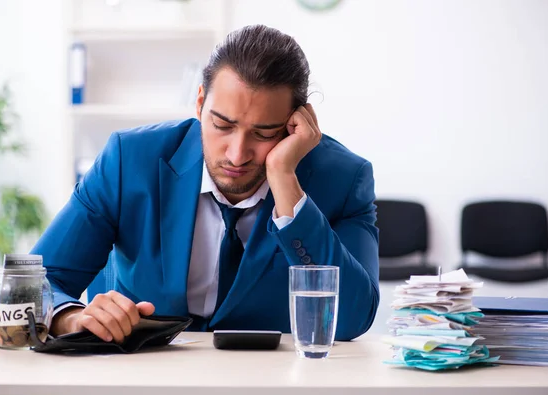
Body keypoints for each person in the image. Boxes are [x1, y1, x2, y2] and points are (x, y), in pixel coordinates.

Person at [32, 24, 379, 343]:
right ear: (199, 103)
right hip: (143, 380)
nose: (237, 154)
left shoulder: (344, 179)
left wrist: (286, 183)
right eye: (222, 125)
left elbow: (351, 319)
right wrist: (72, 318)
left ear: (294, 125)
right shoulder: (129, 160)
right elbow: (32, 285)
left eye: (264, 133)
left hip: (272, 386)